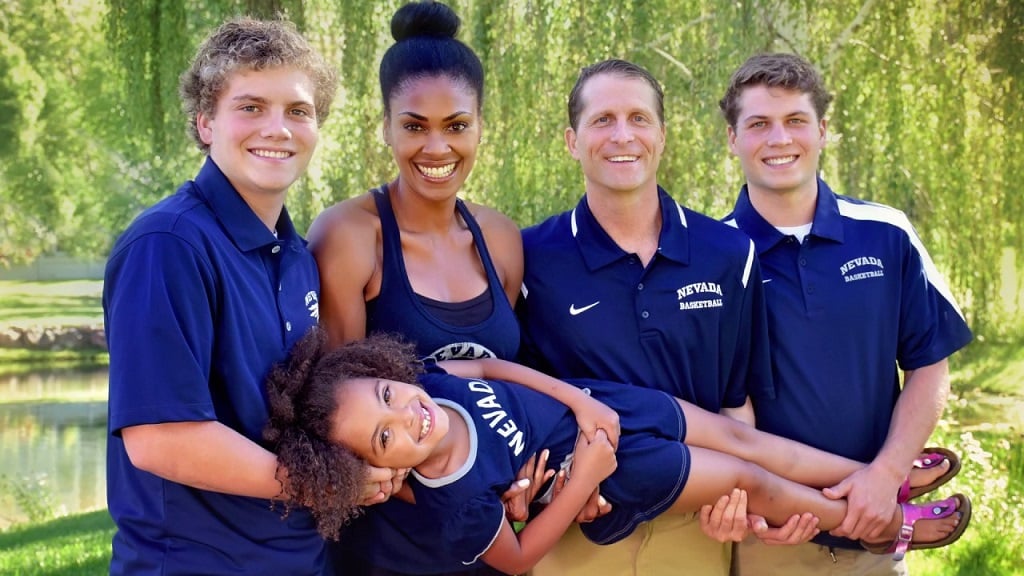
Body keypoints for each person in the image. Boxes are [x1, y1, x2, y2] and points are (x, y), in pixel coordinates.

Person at [264, 328, 970, 576]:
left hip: (608, 403)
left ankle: (884, 478)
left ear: (389, 375)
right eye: (384, 437)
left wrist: (579, 402)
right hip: (620, 468)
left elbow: (496, 370)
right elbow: (518, 556)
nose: (404, 416)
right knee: (755, 481)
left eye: (388, 397)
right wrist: (588, 476)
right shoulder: (452, 502)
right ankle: (885, 524)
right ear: (377, 469)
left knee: (747, 439)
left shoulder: (435, 383)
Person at [101, 17, 378, 576]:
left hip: (299, 560)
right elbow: (161, 439)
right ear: (205, 123)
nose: (278, 128)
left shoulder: (298, 255)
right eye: (251, 107)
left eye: (298, 111)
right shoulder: (168, 245)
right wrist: (327, 484)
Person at [514, 58, 774, 576]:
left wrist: (733, 500)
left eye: (638, 118)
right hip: (577, 534)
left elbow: (735, 404)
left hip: (694, 531)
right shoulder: (528, 259)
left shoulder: (728, 253)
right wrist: (549, 491)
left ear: (661, 136)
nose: (622, 135)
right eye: (602, 120)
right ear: (572, 141)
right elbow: (520, 406)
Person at [717, 52, 974, 575]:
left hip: (878, 535)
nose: (779, 139)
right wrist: (756, 502)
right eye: (759, 124)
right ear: (733, 138)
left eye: (795, 121)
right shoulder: (710, 255)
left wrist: (887, 475)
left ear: (824, 131)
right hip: (768, 543)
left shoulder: (887, 233)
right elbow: (720, 408)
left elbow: (929, 366)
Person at [306, 2, 535, 574]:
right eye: (414, 126)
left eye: (457, 125)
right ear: (384, 126)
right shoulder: (350, 237)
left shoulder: (501, 238)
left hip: (489, 538)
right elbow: (337, 415)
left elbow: (507, 388)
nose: (437, 149)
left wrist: (522, 472)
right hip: (392, 548)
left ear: (482, 124)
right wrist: (460, 492)